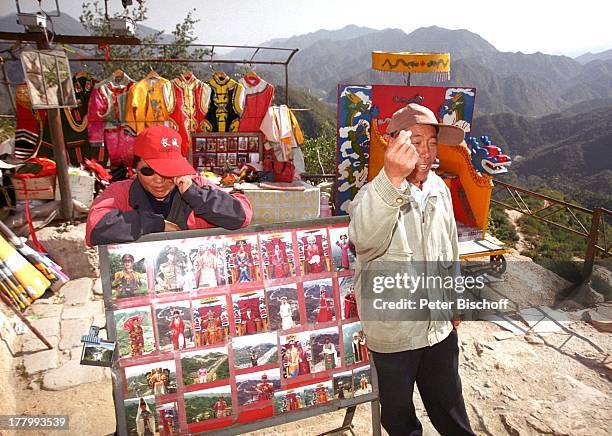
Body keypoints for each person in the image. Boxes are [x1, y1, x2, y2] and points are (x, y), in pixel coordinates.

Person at [348, 103, 474, 435]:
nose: (426, 152)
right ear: (393, 143)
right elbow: (364, 240)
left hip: (438, 328)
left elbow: (449, 249)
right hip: (393, 333)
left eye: (432, 143)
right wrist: (392, 179)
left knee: (451, 409)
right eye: (415, 141)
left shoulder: (439, 190)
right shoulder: (371, 196)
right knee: (400, 418)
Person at [86, 125, 252, 246]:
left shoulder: (197, 187)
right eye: (148, 172)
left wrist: (195, 195)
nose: (158, 180)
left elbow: (242, 215)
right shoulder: (121, 192)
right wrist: (156, 224)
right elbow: (95, 227)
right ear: (135, 169)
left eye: (166, 172)